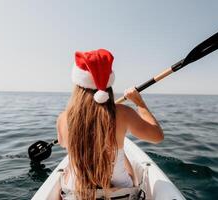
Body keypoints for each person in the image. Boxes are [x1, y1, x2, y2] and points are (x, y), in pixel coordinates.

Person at [57, 49, 164, 200]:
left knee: (69, 169)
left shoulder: (63, 118)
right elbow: (157, 136)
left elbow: (62, 143)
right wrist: (139, 103)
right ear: (109, 83)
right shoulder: (123, 112)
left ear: (78, 84)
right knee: (124, 160)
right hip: (121, 195)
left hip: (76, 194)